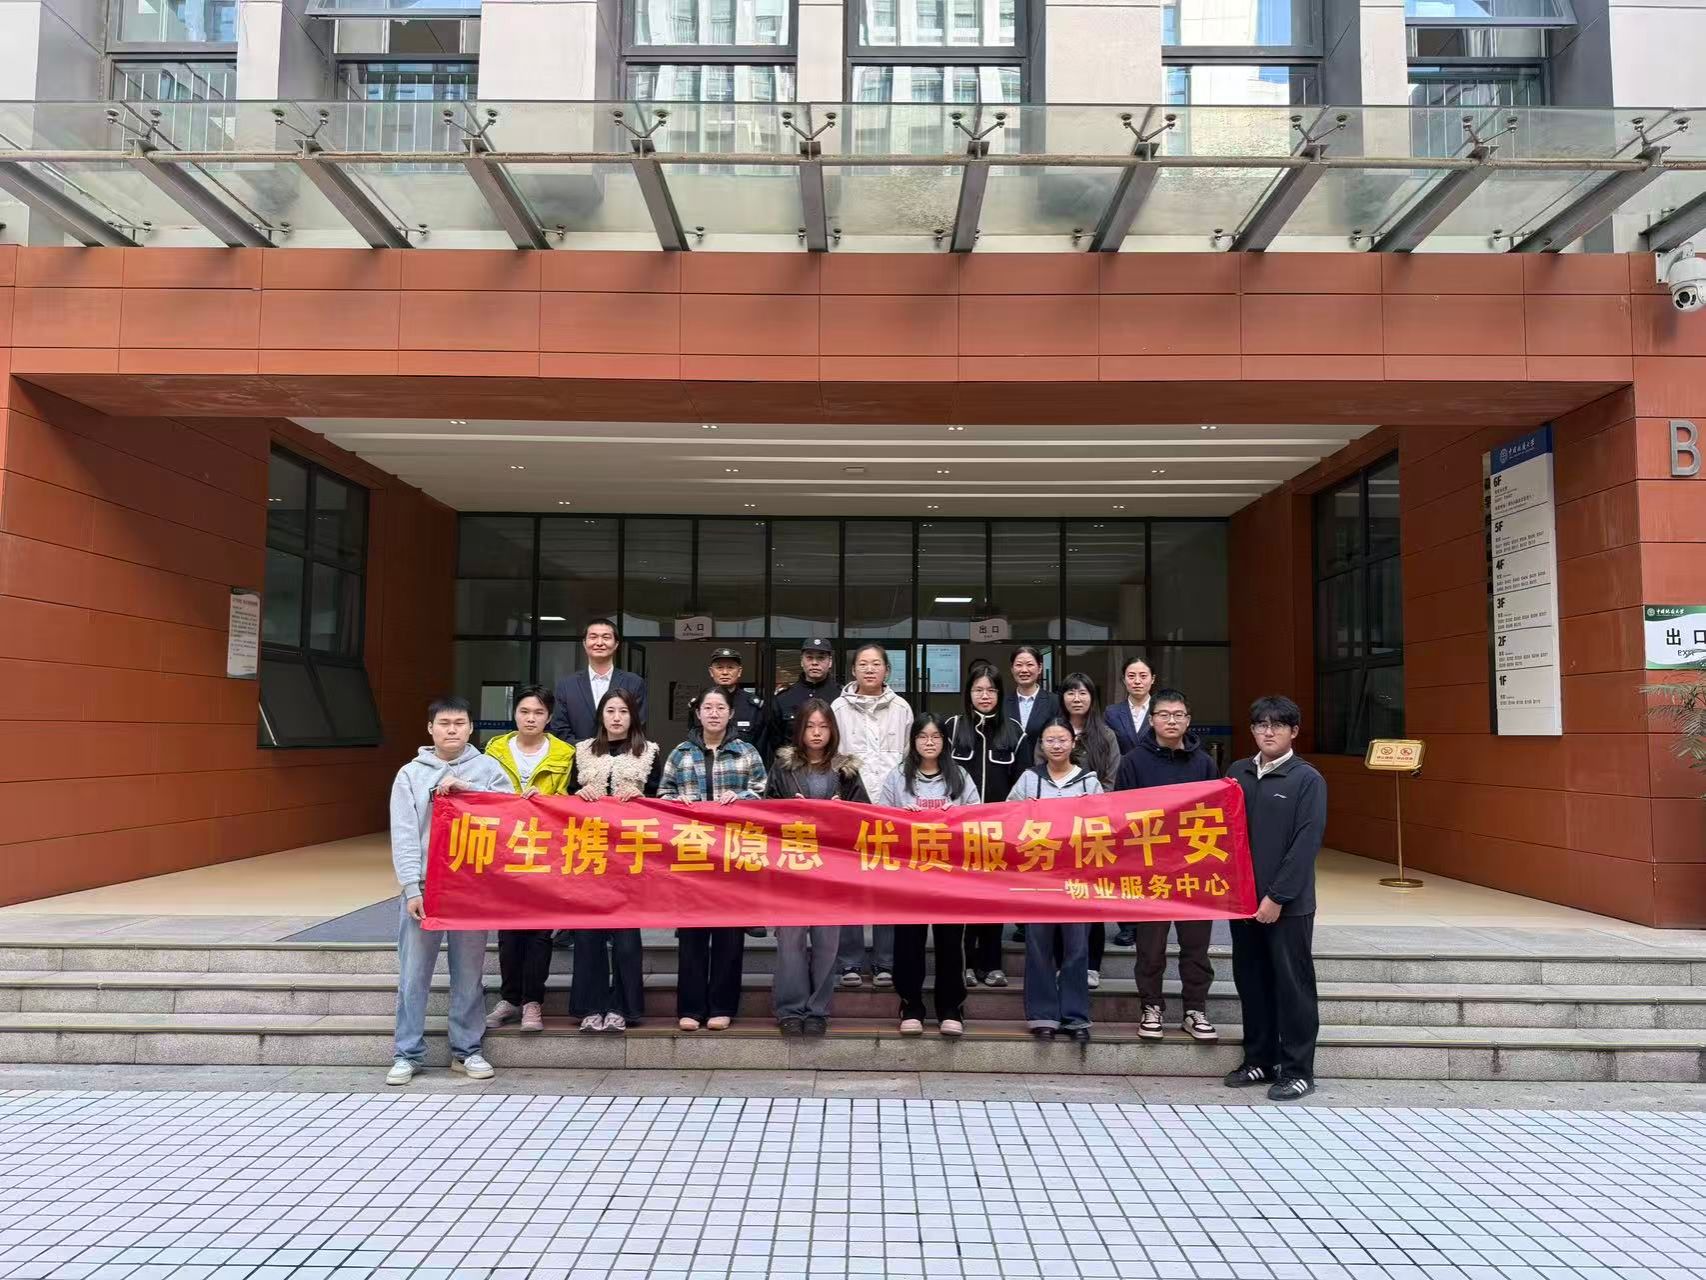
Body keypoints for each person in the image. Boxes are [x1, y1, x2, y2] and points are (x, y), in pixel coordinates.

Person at [386, 696, 514, 1087]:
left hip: (471, 888)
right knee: (413, 975)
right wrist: (411, 887)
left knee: (469, 974)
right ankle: (407, 1053)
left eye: (460, 723)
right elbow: (404, 834)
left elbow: (510, 813)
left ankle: (467, 1050)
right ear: (430, 729)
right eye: (444, 723)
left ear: (471, 728)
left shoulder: (489, 768)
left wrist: (467, 789)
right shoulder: (410, 775)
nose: (452, 729)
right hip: (426, 888)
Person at [1224, 695, 1327, 1102]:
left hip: (1287, 906)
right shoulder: (1237, 773)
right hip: (1243, 902)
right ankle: (1259, 1060)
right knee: (1252, 983)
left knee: (1292, 987)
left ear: (1293, 731)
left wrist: (1277, 896)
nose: (1268, 732)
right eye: (1261, 725)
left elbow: (1306, 843)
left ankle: (1298, 1070)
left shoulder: (1307, 780)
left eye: (1277, 725)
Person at [1112, 687, 1220, 1044]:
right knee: (1150, 948)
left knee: (1196, 946)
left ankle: (1195, 1009)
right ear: (1152, 719)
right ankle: (1151, 1007)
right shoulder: (1133, 762)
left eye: (1178, 715)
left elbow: (1216, 815)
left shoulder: (1203, 763)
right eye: (1164, 715)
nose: (1171, 721)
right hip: (1150, 870)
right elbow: (1121, 816)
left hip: (1193, 870)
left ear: (1188, 720)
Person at [660, 686, 768, 1032]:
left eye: (720, 707)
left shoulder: (746, 751)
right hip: (692, 855)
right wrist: (677, 803)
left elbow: (763, 793)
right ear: (698, 713)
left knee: (728, 936)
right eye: (708, 707)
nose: (714, 713)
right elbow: (663, 794)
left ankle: (722, 1006)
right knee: (692, 937)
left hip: (732, 857)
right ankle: (691, 1008)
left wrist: (741, 796)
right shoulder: (680, 753)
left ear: (731, 713)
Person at [765, 698, 868, 1036]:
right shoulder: (783, 767)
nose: (817, 733)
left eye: (823, 726)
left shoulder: (846, 770)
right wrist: (785, 808)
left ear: (833, 731)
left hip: (832, 871)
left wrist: (845, 810)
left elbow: (866, 817)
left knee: (826, 943)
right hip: (791, 868)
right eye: (810, 726)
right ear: (800, 730)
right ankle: (790, 1008)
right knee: (790, 940)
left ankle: (818, 1010)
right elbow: (763, 813)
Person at [878, 713, 980, 1038]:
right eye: (923, 736)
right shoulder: (898, 777)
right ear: (913, 742)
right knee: (909, 942)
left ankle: (951, 1007)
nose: (929, 742)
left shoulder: (959, 776)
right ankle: (911, 1005)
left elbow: (979, 818)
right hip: (910, 877)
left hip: (951, 878)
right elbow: (880, 822)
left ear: (945, 742)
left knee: (950, 943)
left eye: (936, 736)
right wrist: (900, 817)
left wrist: (957, 816)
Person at [566, 687, 661, 1034]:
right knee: (587, 935)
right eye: (610, 711)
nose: (617, 717)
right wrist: (579, 795)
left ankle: (623, 1007)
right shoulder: (582, 751)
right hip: (589, 852)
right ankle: (590, 1006)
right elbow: (564, 798)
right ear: (601, 716)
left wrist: (643, 797)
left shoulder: (649, 752)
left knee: (626, 938)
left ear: (633, 716)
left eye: (623, 711)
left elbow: (662, 798)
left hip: (629, 855)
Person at [483, 684, 575, 1035]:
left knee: (540, 929)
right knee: (508, 929)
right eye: (524, 711)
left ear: (549, 717)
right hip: (505, 847)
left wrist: (549, 800)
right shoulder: (494, 749)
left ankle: (533, 1001)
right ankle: (509, 998)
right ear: (515, 714)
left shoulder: (565, 753)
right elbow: (481, 791)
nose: (531, 718)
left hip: (546, 848)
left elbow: (572, 798)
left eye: (538, 713)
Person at [1009, 717, 1102, 1044]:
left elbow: (1104, 825)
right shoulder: (1029, 780)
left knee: (1077, 948)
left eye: (1062, 739)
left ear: (1073, 743)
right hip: (1039, 877)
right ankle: (1042, 1015)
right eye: (1050, 740)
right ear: (1042, 745)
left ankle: (1076, 1016)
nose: (1057, 745)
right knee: (1039, 947)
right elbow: (1008, 819)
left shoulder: (1089, 782)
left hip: (1078, 878)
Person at [832, 643, 912, 990]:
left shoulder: (902, 708)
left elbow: (909, 758)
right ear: (853, 670)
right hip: (851, 808)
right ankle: (850, 961)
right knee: (849, 886)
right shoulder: (837, 708)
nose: (869, 669)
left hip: (891, 809)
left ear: (887, 670)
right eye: (863, 664)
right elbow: (832, 757)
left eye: (876, 664)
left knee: (887, 888)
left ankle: (885, 962)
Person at [944, 660, 1024, 990]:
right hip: (959, 830)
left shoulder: (1014, 731)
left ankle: (992, 964)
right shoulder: (952, 727)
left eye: (991, 690)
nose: (985, 695)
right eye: (978, 690)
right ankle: (965, 964)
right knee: (963, 898)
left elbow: (1021, 781)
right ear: (968, 693)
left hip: (999, 830)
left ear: (1000, 694)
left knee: (994, 898)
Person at [1039, 672, 1122, 986]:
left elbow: (1112, 779)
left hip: (1091, 831)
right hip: (1053, 833)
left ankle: (1091, 965)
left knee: (1090, 899)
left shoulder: (1106, 735)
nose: (1077, 698)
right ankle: (1061, 962)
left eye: (1083, 692)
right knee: (1058, 900)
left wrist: (1094, 810)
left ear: (1092, 697)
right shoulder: (1051, 731)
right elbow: (1040, 774)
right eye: (1070, 692)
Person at [1105, 655, 1156, 946]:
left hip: (1155, 789)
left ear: (1152, 679)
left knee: (1151, 859)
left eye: (1143, 676)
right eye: (1132, 676)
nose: (1137, 681)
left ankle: (1150, 919)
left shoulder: (1163, 709)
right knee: (1124, 861)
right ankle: (1127, 924)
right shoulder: (1112, 713)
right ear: (1124, 679)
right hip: (1123, 789)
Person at [549, 617, 648, 744]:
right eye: (593, 637)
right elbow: (560, 730)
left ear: (616, 644)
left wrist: (612, 750)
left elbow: (638, 727)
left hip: (622, 755)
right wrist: (588, 751)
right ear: (584, 643)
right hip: (577, 754)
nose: (599, 643)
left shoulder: (634, 682)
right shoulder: (566, 685)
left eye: (606, 637)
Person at [765, 638, 838, 764]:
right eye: (809, 658)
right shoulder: (784, 698)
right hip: (793, 769)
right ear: (801, 661)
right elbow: (774, 741)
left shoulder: (841, 697)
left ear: (830, 662)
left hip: (832, 767)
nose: (814, 663)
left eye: (821, 658)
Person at [689, 648, 770, 759]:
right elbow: (693, 740)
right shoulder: (699, 704)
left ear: (739, 671)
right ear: (711, 672)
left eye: (730, 667)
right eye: (719, 668)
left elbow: (762, 746)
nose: (725, 672)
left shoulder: (753, 706)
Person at [1003, 645, 1061, 754]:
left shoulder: (1055, 702)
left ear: (1040, 668)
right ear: (1012, 669)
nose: (1024, 670)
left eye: (1030, 664)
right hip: (1009, 762)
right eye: (1019, 665)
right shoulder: (1002, 703)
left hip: (1043, 762)